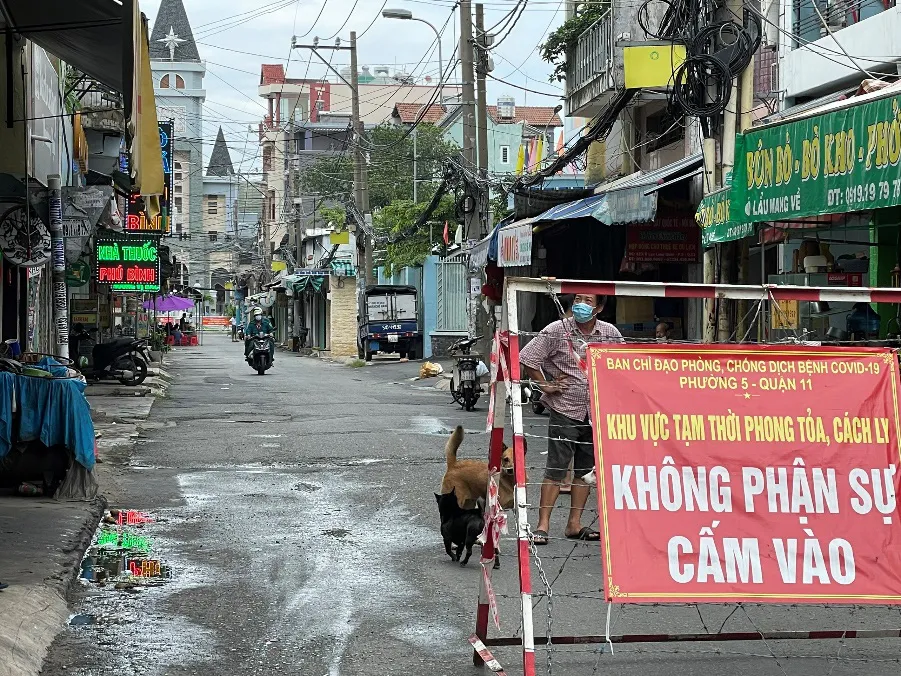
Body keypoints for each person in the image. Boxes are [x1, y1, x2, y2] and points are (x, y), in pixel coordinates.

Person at [519, 293, 622, 544]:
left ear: (599, 307)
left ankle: (574, 525)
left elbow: (623, 363)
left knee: (585, 471)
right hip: (566, 408)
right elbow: (527, 357)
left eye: (588, 301)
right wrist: (545, 385)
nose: (581, 306)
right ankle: (542, 527)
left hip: (597, 410)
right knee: (556, 468)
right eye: (578, 300)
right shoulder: (557, 329)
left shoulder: (610, 333)